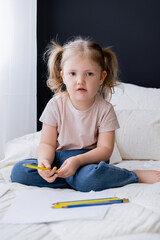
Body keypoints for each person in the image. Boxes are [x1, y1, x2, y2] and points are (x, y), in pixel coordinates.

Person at [11, 37, 160, 192]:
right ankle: (70, 179)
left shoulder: (105, 109)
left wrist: (77, 161)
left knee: (91, 178)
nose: (80, 81)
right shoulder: (55, 105)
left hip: (88, 161)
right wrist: (44, 163)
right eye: (73, 74)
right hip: (59, 159)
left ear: (101, 77)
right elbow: (47, 144)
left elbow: (105, 150)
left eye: (89, 74)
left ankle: (132, 175)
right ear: (63, 76)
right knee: (19, 171)